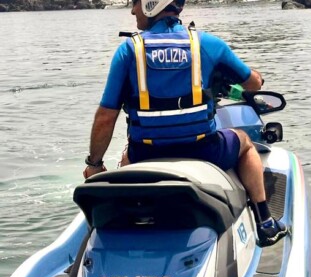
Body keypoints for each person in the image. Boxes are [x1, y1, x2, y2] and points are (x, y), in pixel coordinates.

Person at [82, 0, 288, 247]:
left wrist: (94, 164)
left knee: (127, 156)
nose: (132, 10)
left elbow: (106, 117)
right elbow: (253, 84)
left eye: (135, 3)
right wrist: (256, 76)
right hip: (204, 150)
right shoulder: (208, 44)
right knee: (244, 143)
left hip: (145, 154)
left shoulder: (128, 51)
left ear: (151, 5)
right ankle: (265, 222)